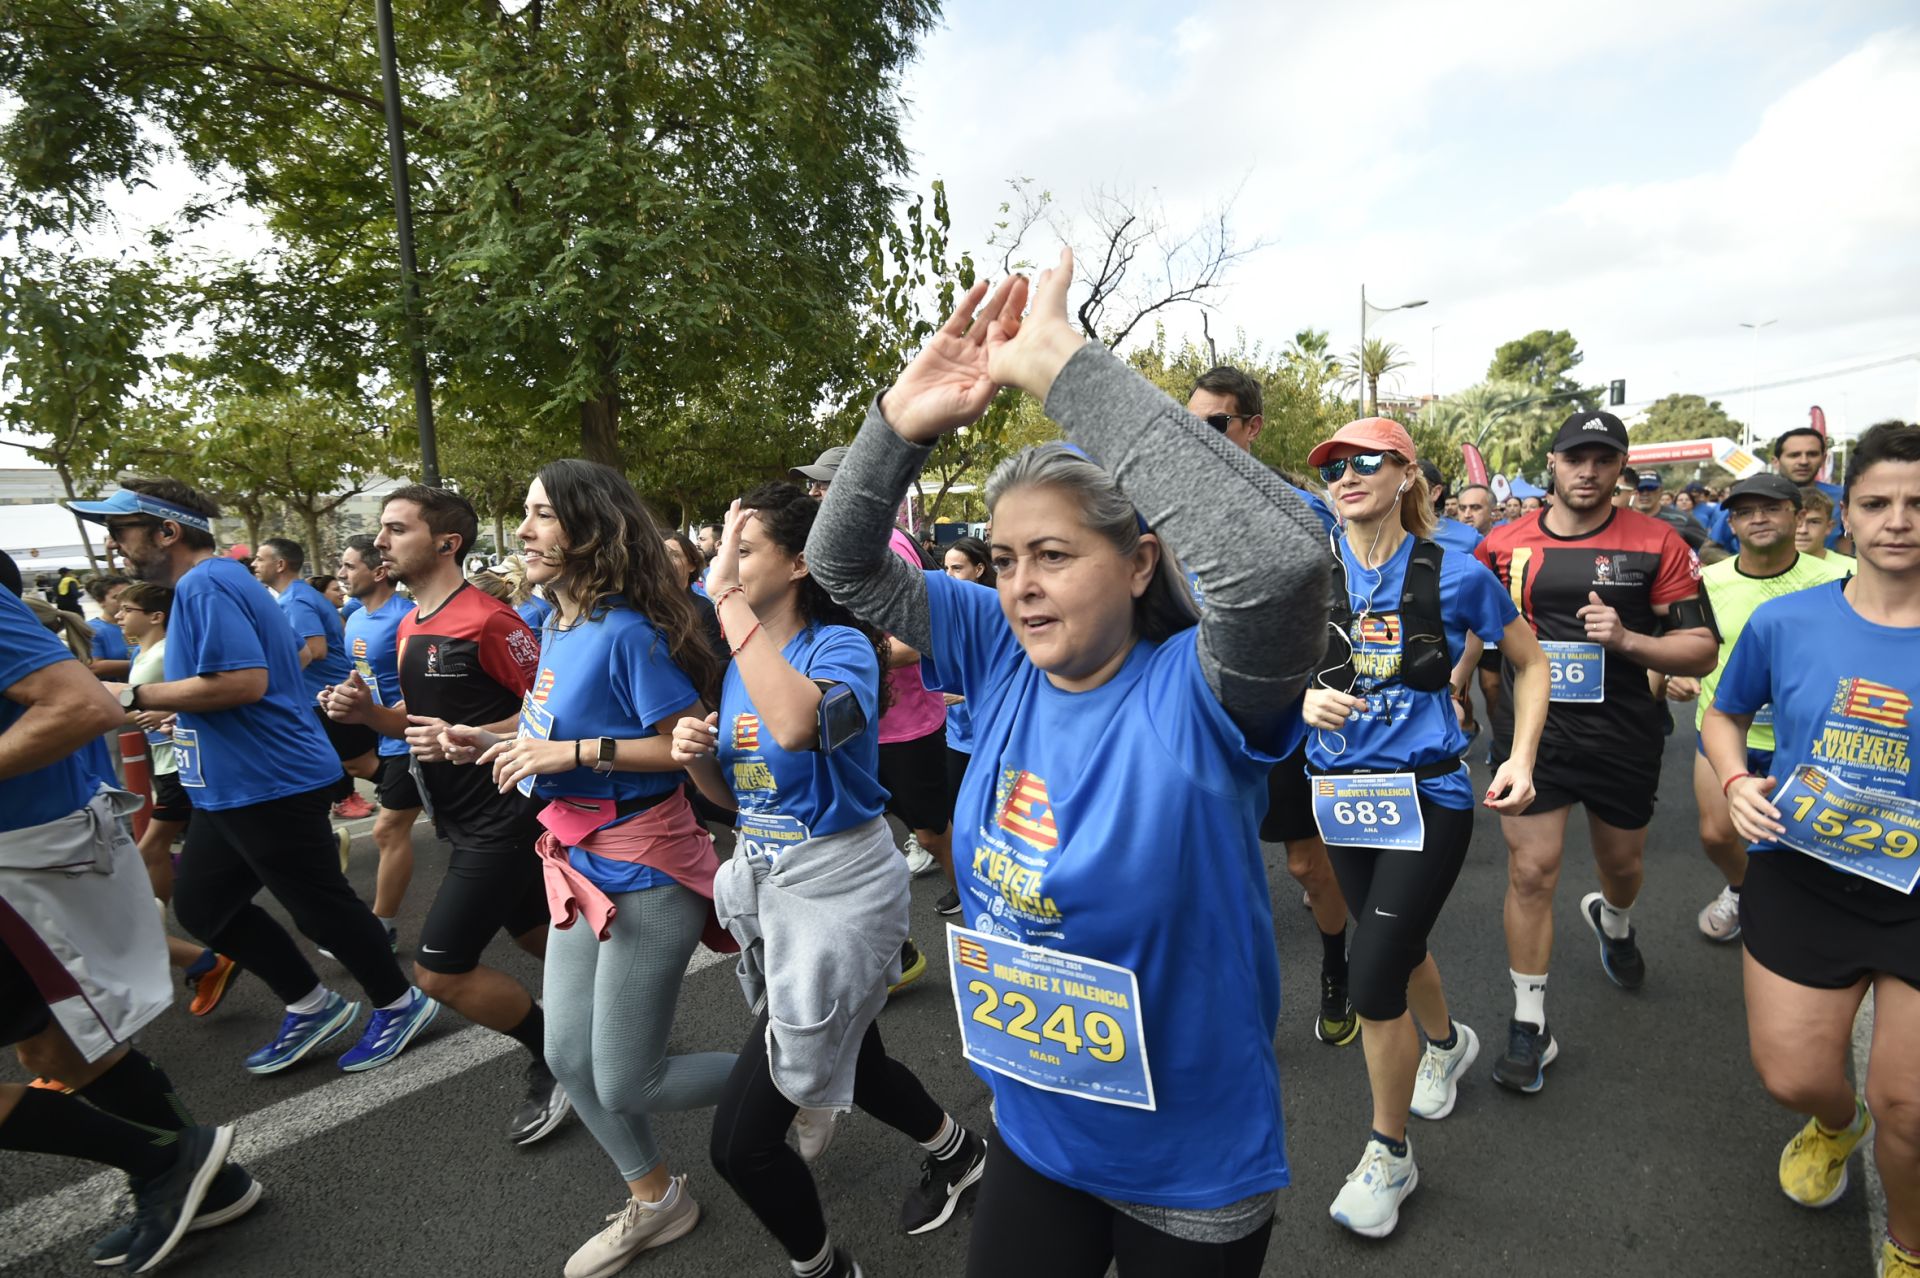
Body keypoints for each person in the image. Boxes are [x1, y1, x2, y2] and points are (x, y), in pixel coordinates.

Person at [808, 254, 1328, 1275]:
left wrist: (1067, 368)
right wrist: (899, 423)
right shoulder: (998, 650)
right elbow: (841, 564)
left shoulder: (1200, 688)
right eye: (1003, 561)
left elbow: (1280, 566)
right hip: (1038, 1134)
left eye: (1053, 555)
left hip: (1185, 1165)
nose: (1020, 586)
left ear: (1138, 566)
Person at [677, 481, 984, 1278]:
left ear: (802, 563)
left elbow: (797, 725)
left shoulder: (839, 649)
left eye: (744, 550)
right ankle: (959, 1152)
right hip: (774, 883)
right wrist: (696, 758)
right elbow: (735, 797)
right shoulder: (740, 663)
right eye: (724, 551)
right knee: (862, 1059)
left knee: (740, 1147)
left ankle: (825, 1270)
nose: (725, 566)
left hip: (839, 894)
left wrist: (728, 606)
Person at [437, 463, 733, 1273]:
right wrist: (492, 743)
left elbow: (684, 745)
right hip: (573, 864)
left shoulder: (630, 632)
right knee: (569, 1057)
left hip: (646, 866)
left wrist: (572, 750)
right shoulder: (556, 622)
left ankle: (801, 1076)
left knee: (630, 1078)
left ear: (589, 531)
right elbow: (547, 728)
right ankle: (657, 1200)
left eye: (539, 516)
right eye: (525, 515)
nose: (523, 531)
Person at [71, 480, 438, 1075]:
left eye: (121, 530)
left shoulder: (208, 582)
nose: (114, 546)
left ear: (167, 531)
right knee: (204, 903)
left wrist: (132, 691)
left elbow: (245, 682)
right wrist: (175, 704)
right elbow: (257, 672)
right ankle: (312, 1004)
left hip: (270, 776)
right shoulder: (208, 584)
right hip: (228, 781)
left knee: (320, 907)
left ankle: (400, 1003)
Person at [1303, 417, 1550, 1236]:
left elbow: (1530, 659)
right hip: (1338, 796)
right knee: (1393, 943)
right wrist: (1300, 698)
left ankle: (1389, 1153)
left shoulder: (1454, 572)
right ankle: (1445, 1043)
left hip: (1427, 798)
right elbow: (1259, 672)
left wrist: (1518, 755)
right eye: (1334, 466)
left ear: (1407, 475)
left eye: (1366, 462)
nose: (1346, 475)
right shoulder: (1308, 573)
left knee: (1374, 979)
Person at [1702, 421, 1920, 1278]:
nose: (1899, 519)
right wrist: (1733, 783)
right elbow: (1725, 713)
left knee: (1909, 1106)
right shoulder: (1788, 622)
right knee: (1793, 1076)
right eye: (1878, 503)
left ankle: (1907, 1246)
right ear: (1839, 515)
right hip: (1804, 870)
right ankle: (1837, 1125)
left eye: (1917, 502)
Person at [0, 582, 260, 1272]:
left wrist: (143, 698)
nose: (116, 609)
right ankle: (200, 1177)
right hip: (47, 844)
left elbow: (80, 702)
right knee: (53, 1050)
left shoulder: (212, 595)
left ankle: (171, 1160)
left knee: (66, 1041)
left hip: (28, 854)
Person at [1474, 411, 1718, 1093]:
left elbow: (1701, 648)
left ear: (1620, 467)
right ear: (1552, 462)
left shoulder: (1658, 542)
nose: (1588, 471)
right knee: (1532, 871)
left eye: (1603, 459)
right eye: (1575, 458)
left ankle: (1613, 919)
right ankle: (1529, 1025)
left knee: (1622, 865)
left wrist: (1629, 641)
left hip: (1623, 736)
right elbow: (1465, 617)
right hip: (1533, 738)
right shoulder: (1502, 542)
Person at [327, 487, 571, 1148]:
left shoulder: (492, 622)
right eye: (382, 530)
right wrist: (366, 717)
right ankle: (618, 1012)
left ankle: (559, 1059)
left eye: (395, 528)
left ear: (446, 543)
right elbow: (411, 723)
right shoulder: (408, 623)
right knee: (532, 934)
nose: (381, 541)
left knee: (440, 970)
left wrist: (471, 734)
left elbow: (554, 716)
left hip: (506, 818)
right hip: (456, 817)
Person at [1185, 365, 1357, 1045]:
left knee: (1306, 866)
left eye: (1215, 425)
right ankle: (1224, 1000)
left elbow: (1332, 616)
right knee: (1202, 864)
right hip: (1203, 712)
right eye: (1188, 424)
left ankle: (1338, 962)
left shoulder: (1301, 509)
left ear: (1251, 427)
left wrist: (1318, 688)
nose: (1200, 439)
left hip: (1285, 712)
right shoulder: (1172, 505)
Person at [1664, 475, 1846, 943]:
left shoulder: (1842, 578)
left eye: (1770, 508)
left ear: (1797, 514)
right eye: (1745, 512)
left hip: (1808, 738)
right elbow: (1681, 642)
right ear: (1733, 523)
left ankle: (1801, 910)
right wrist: (1673, 674)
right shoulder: (1705, 581)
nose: (1758, 519)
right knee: (1718, 836)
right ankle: (1744, 891)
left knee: (1808, 843)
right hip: (1726, 730)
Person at [793, 444, 948, 985]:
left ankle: (985, 915)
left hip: (906, 723)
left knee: (931, 833)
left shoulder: (892, 546)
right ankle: (897, 952)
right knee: (858, 835)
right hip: (859, 726)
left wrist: (857, 662)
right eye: (812, 486)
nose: (814, 493)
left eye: (824, 484)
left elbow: (918, 640)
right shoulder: (818, 550)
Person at [117, 580, 245, 1014]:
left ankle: (158, 920)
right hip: (166, 760)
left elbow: (202, 693)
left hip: (181, 765)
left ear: (155, 616)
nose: (119, 615)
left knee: (151, 847)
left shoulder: (170, 650)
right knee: (231, 846)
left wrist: (167, 713)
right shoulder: (144, 653)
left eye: (127, 607)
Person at [335, 535, 422, 944]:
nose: (341, 573)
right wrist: (341, 692)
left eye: (350, 566)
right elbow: (364, 676)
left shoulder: (408, 618)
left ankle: (379, 927)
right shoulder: (352, 617)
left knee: (388, 829)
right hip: (382, 739)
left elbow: (424, 683)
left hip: (412, 737)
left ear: (379, 571)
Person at [252, 538, 377, 822]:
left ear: (280, 564)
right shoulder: (295, 597)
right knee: (346, 762)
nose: (254, 564)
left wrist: (267, 683)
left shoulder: (296, 600)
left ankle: (420, 794)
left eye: (260, 558)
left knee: (360, 764)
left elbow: (313, 651)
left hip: (328, 695)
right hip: (323, 694)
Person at [935, 535, 996, 912]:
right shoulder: (944, 615)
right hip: (956, 737)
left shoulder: (998, 614)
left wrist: (965, 692)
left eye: (958, 568)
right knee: (961, 817)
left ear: (980, 569)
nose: (949, 575)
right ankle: (967, 887)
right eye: (945, 568)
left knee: (998, 822)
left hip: (992, 741)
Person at [1708, 427, 1848, 554]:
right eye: (1794, 455)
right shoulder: (1751, 496)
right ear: (1775, 461)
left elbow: (1847, 546)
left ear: (1823, 459)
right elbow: (1709, 549)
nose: (1804, 461)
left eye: (1812, 454)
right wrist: (1747, 572)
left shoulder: (1844, 497)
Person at [1795, 487, 1857, 573]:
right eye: (1797, 521)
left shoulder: (1853, 569)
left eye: (1814, 522)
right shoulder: (1770, 569)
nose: (1803, 530)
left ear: (1829, 527)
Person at [86, 574, 135, 680]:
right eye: (117, 597)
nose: (125, 602)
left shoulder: (146, 622)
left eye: (130, 595)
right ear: (101, 601)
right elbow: (94, 667)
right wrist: (142, 663)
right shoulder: (91, 630)